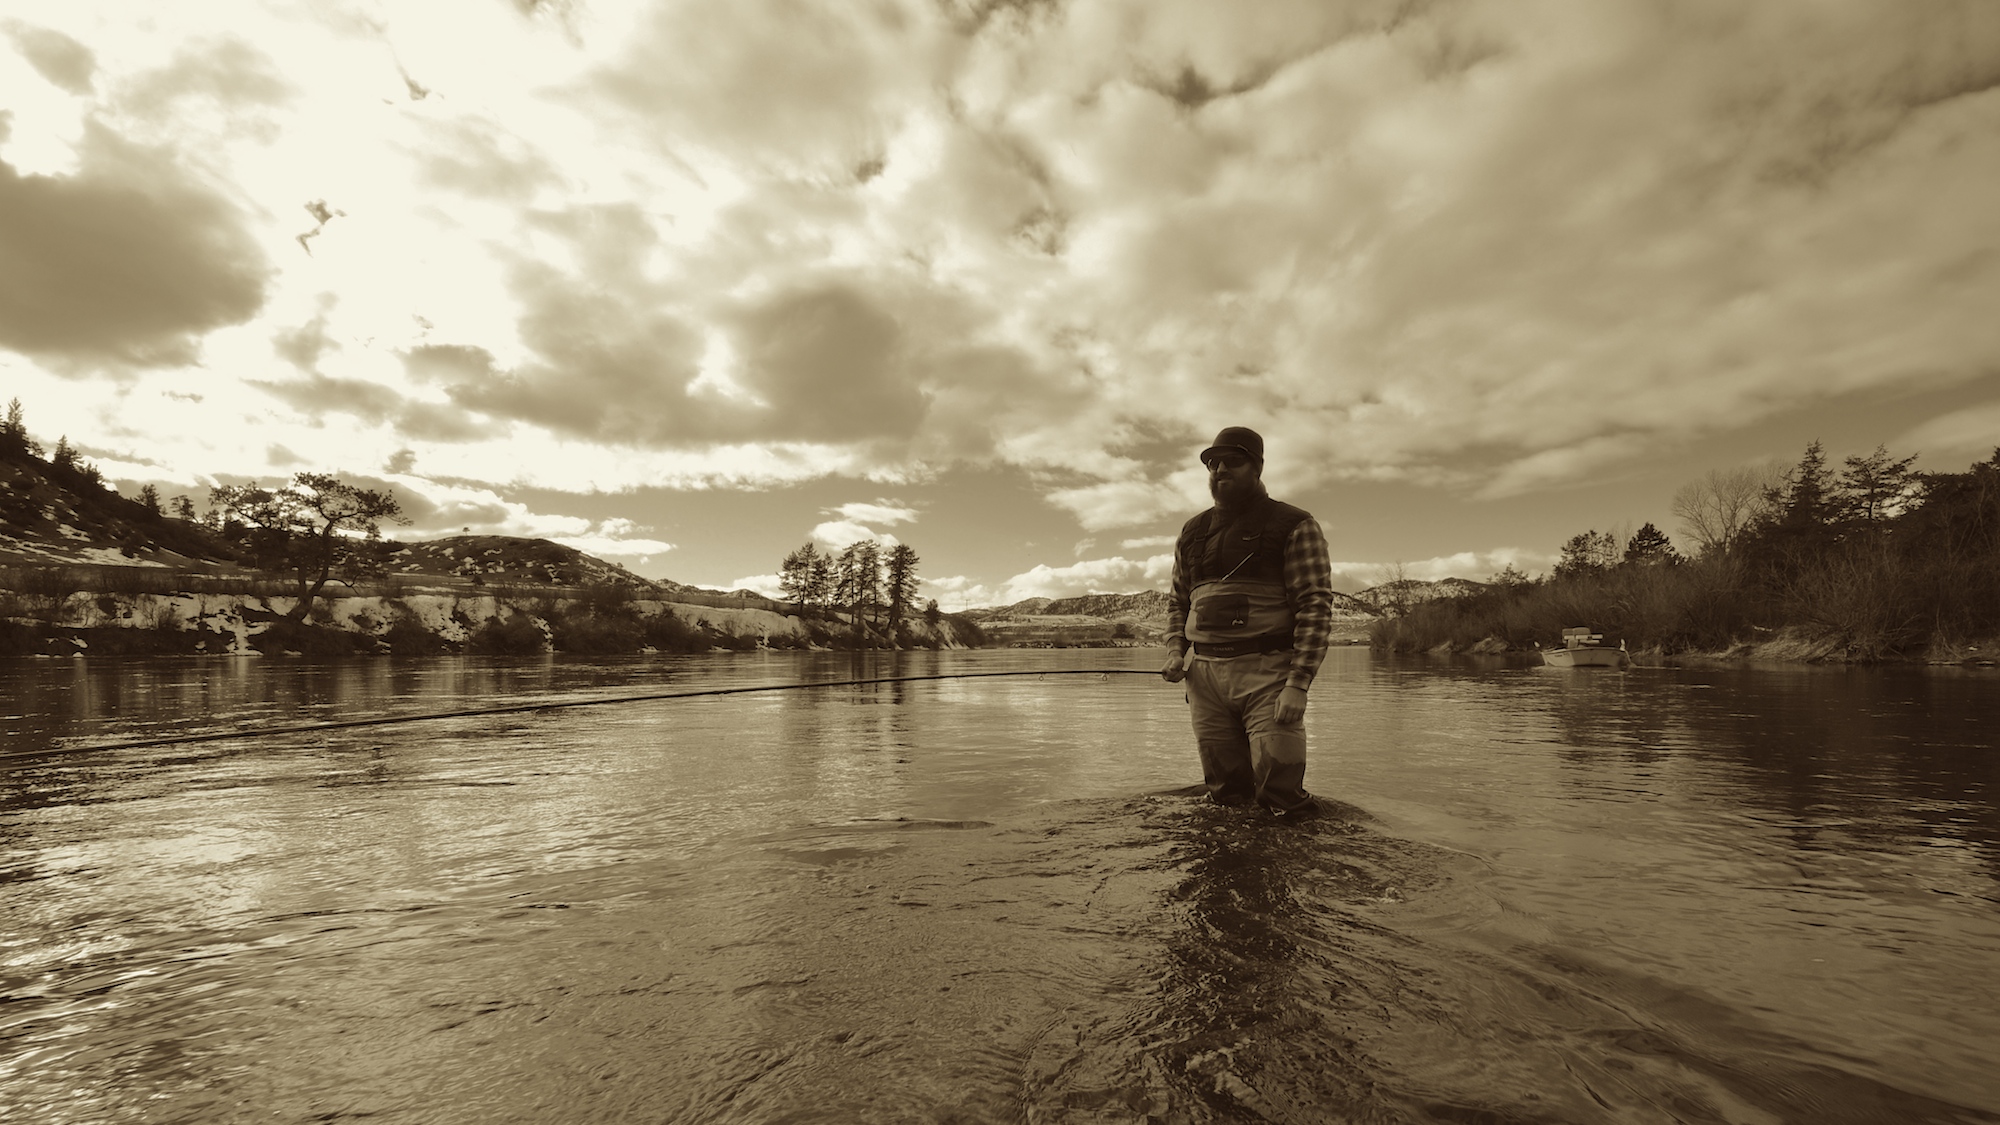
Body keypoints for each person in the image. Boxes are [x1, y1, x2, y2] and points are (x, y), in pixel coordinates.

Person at [1161, 426, 1334, 815]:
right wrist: (1176, 653)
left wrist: (1298, 685)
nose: (1220, 469)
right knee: (1224, 797)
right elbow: (1177, 604)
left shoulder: (1295, 524)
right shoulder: (1191, 532)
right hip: (1203, 678)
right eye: (1212, 463)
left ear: (1256, 467)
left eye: (1233, 461)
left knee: (1281, 798)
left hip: (1269, 676)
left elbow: (1314, 607)